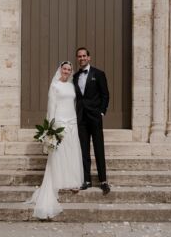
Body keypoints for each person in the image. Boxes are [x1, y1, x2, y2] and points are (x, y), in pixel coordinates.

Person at [28, 61, 83, 219]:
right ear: (60, 70)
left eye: (69, 69)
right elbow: (51, 107)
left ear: (71, 71)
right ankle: (56, 182)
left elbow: (74, 103)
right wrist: (50, 128)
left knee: (72, 151)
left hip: (72, 121)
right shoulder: (55, 86)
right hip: (59, 121)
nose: (66, 71)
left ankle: (72, 181)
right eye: (64, 69)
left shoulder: (72, 86)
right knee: (59, 154)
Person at [73, 48, 111, 195]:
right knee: (83, 150)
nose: (82, 58)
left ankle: (103, 181)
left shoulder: (98, 74)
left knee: (99, 148)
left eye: (84, 56)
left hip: (95, 117)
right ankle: (86, 180)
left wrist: (101, 111)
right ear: (77, 58)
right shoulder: (75, 76)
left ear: (89, 57)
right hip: (81, 118)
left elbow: (105, 95)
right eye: (79, 56)